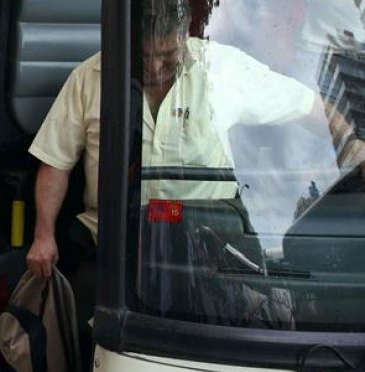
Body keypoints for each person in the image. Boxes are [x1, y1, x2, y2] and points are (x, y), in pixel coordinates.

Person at [26, 0, 323, 282]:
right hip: (111, 244)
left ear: (184, 35)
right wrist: (43, 235)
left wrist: (350, 143)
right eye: (143, 58)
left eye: (167, 57)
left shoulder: (222, 69)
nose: (154, 68)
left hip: (207, 247)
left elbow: (308, 105)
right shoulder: (88, 77)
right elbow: (55, 162)